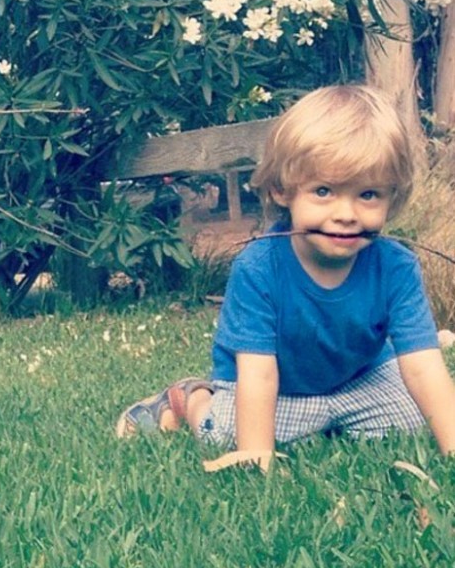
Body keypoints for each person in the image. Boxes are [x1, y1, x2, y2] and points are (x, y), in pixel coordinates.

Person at [116, 84, 455, 468]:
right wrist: (257, 460)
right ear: (282, 190)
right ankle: (191, 398)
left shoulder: (396, 265)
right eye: (324, 191)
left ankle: (334, 419)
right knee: (227, 432)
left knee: (414, 420)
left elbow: (423, 365)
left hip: (360, 380)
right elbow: (258, 377)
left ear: (392, 197)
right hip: (281, 389)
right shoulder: (259, 267)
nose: (346, 213)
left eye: (368, 195)